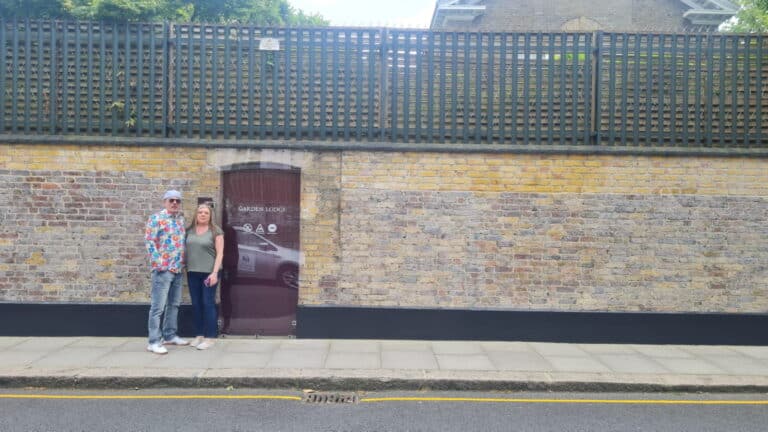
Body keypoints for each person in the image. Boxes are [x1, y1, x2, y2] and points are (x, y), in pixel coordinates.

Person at [144, 189, 189, 354]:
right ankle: (154, 341)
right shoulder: (156, 218)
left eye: (178, 200)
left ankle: (169, 335)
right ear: (165, 202)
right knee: (158, 307)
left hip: (177, 269)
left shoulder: (179, 220)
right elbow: (149, 242)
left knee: (174, 305)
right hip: (163, 270)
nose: (175, 203)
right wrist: (160, 263)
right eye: (171, 200)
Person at [185, 203, 224, 350]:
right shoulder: (189, 231)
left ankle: (210, 337)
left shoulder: (216, 231)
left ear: (210, 216)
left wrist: (214, 273)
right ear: (196, 214)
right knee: (196, 304)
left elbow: (220, 253)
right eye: (200, 212)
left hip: (209, 273)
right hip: (192, 271)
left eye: (206, 213)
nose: (202, 214)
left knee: (208, 303)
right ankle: (199, 335)